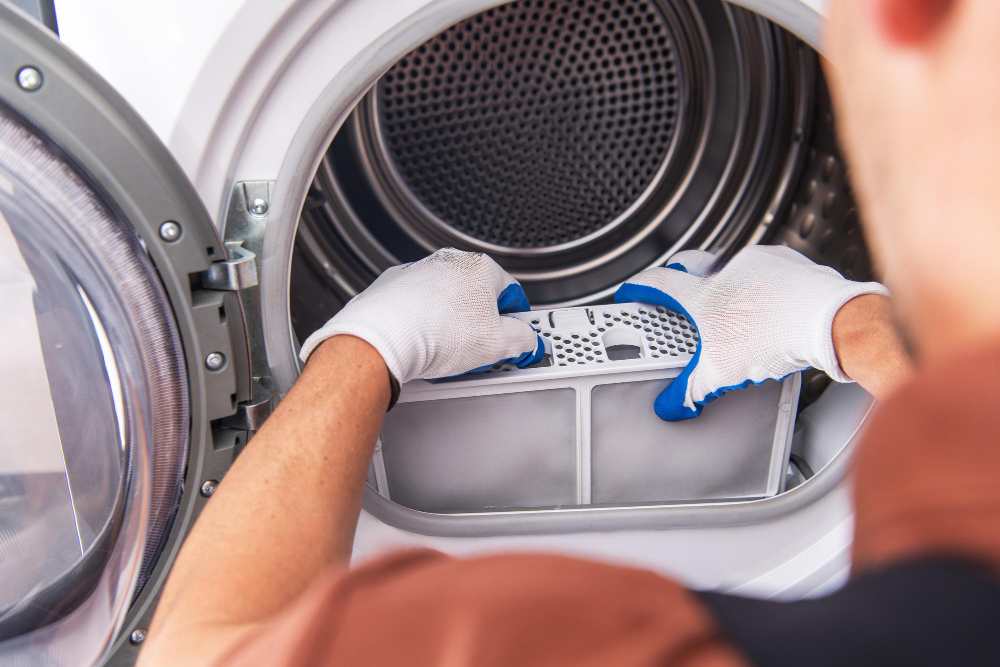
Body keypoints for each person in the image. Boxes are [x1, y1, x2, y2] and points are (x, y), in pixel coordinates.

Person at [138, 0, 1000, 664]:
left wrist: (362, 352)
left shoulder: (559, 641)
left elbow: (201, 648)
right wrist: (849, 323)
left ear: (899, 17)